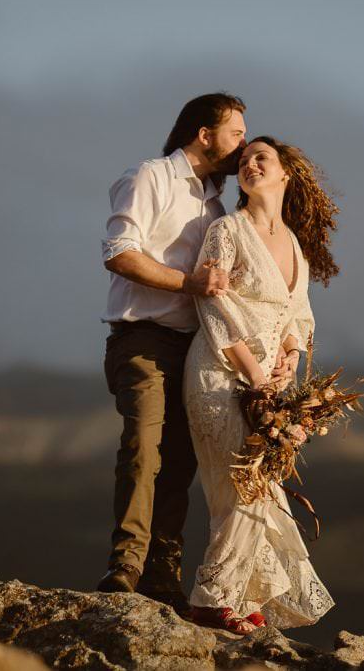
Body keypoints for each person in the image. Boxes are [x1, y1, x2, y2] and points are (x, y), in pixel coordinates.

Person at [96, 93, 250, 616]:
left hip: (195, 350)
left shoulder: (216, 204)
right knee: (143, 446)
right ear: (204, 133)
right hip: (142, 337)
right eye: (236, 133)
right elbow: (118, 253)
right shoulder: (151, 177)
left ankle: (161, 581)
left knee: (180, 465)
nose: (242, 144)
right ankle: (125, 568)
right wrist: (189, 283)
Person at [183, 136, 340, 634]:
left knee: (260, 486)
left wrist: (290, 357)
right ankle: (211, 600)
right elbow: (211, 303)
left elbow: (298, 314)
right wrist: (254, 373)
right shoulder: (227, 229)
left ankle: (241, 595)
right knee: (242, 485)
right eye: (244, 160)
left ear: (284, 174)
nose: (249, 164)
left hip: (269, 383)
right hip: (219, 371)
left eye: (261, 158)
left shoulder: (293, 241)